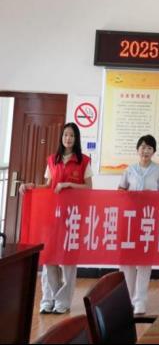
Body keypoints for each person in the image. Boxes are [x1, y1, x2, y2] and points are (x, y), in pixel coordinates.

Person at [19, 122, 93, 314]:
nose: (68, 138)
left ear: (76, 139)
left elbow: (89, 187)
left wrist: (69, 185)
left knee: (68, 261)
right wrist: (32, 187)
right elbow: (48, 186)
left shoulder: (84, 161)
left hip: (73, 217)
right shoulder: (53, 160)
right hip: (51, 215)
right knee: (49, 257)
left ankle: (63, 302)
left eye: (72, 135)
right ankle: (48, 298)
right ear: (61, 137)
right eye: (66, 135)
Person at [118, 134, 159, 315]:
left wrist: (152, 196)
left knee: (144, 261)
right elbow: (120, 190)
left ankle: (140, 300)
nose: (145, 151)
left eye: (149, 148)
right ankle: (127, 298)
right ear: (137, 149)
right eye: (142, 147)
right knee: (128, 261)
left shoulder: (158, 170)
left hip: (148, 220)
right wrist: (129, 195)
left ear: (153, 151)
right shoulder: (129, 170)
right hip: (130, 220)